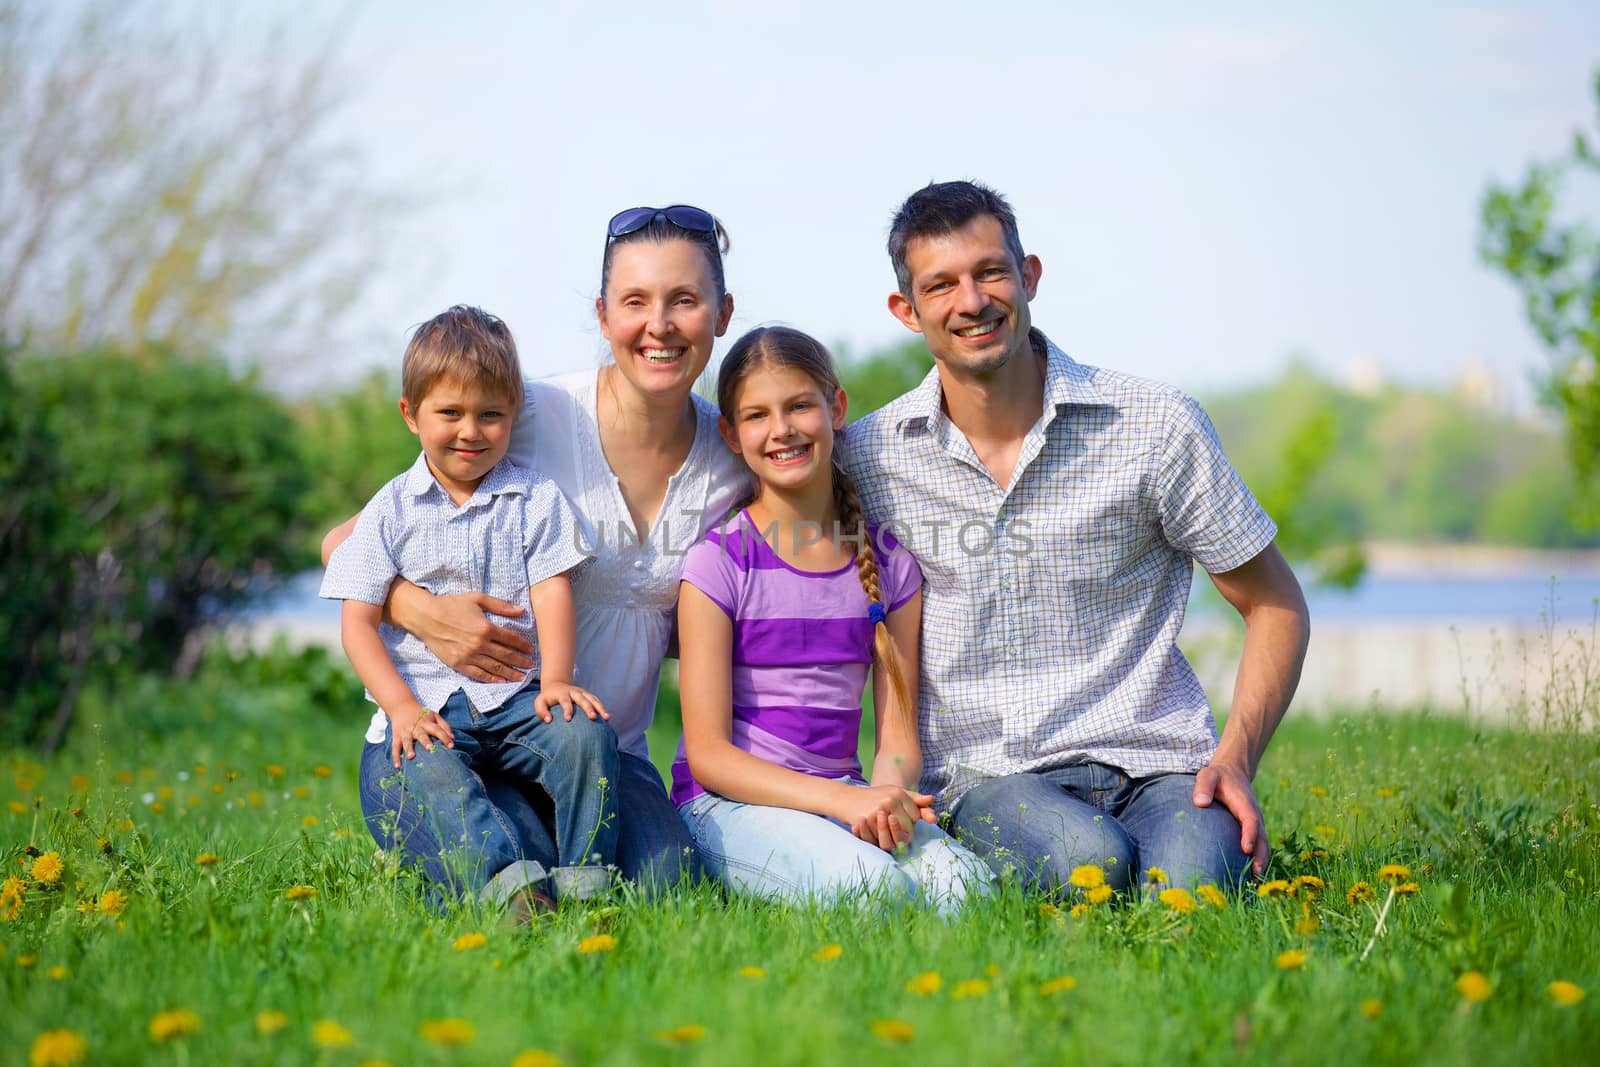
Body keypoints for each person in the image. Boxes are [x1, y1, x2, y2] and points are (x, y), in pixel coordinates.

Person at [840, 181, 1311, 893]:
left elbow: (1275, 603)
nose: (971, 301)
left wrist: (1235, 759)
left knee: (1194, 888)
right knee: (1083, 862)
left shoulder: (1155, 426)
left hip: (1162, 763)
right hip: (989, 781)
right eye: (941, 285)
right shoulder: (871, 458)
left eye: (990, 272)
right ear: (907, 310)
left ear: (1028, 275)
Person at [324, 205, 750, 895]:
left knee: (666, 884)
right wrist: (427, 613)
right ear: (604, 314)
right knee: (517, 861)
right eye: (636, 301)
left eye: (685, 301)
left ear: (721, 312)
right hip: (462, 728)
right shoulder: (528, 415)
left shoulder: (735, 458)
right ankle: (481, 854)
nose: (660, 325)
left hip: (596, 748)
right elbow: (341, 543)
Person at [673, 325, 994, 912]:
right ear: (731, 434)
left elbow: (897, 739)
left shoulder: (889, 565)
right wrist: (838, 804)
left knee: (966, 892)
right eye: (757, 415)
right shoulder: (718, 562)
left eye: (799, 405)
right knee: (874, 892)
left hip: (842, 794)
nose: (782, 429)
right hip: (727, 804)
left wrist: (886, 800)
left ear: (836, 408)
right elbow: (709, 755)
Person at [321, 305, 618, 906]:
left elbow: (551, 589)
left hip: (515, 698)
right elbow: (357, 623)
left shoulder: (534, 497)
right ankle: (507, 889)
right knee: (429, 776)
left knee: (586, 736)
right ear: (411, 415)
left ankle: (589, 887)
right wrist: (400, 707)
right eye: (449, 413)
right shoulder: (391, 508)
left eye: (491, 415)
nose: (470, 431)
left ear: (513, 416)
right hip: (426, 704)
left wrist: (557, 681)